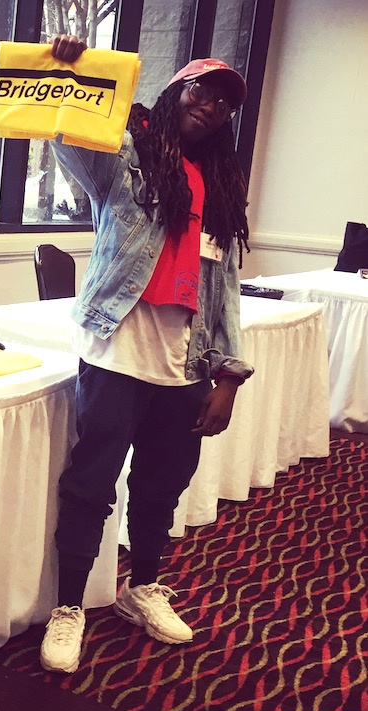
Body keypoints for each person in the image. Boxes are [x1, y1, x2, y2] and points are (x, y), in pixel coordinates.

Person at [39, 35, 255, 674]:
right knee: (91, 485)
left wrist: (229, 374)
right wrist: (69, 73)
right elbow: (72, 143)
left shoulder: (219, 186)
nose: (210, 107)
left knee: (162, 485)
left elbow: (224, 289)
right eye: (199, 91)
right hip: (116, 355)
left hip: (185, 364)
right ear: (172, 93)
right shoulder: (128, 156)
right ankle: (70, 607)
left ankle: (142, 589)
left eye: (222, 103)